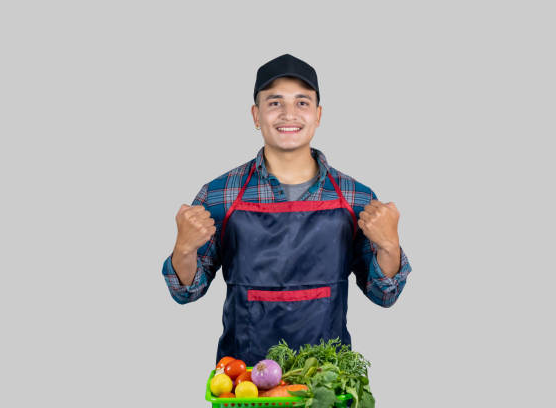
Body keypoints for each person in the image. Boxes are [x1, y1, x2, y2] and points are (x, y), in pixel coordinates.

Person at [162, 54, 413, 365]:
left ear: (318, 115)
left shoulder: (355, 198)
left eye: (302, 103)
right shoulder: (220, 195)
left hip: (328, 380)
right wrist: (183, 250)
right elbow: (187, 292)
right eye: (275, 103)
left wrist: (390, 245)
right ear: (256, 115)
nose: (289, 114)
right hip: (244, 383)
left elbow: (384, 295)